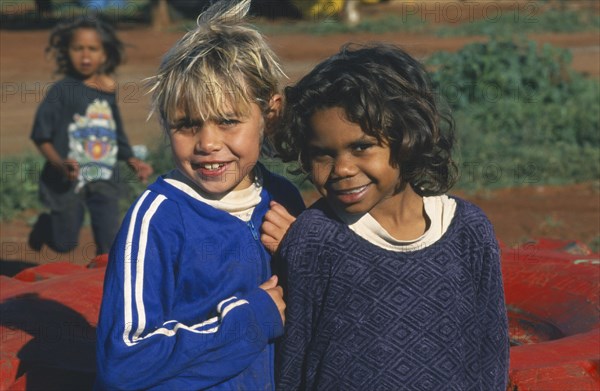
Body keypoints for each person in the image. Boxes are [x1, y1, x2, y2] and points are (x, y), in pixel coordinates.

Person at [272, 44, 510, 390]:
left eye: (361, 147)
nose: (342, 169)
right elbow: (292, 362)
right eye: (322, 154)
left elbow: (491, 352)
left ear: (408, 137)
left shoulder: (469, 231)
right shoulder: (314, 238)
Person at [94, 0, 305, 389]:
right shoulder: (158, 217)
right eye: (187, 124)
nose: (208, 143)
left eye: (228, 121)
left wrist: (307, 250)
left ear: (270, 113)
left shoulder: (284, 199)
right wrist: (250, 319)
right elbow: (124, 362)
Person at [29, 16, 153, 255]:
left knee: (109, 243)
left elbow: (114, 130)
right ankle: (45, 226)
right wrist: (59, 164)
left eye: (93, 49)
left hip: (103, 175)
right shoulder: (62, 91)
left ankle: (104, 289)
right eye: (78, 49)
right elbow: (40, 135)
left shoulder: (106, 92)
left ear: (104, 54)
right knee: (65, 243)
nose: (85, 56)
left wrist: (131, 159)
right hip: (68, 179)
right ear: (67, 51)